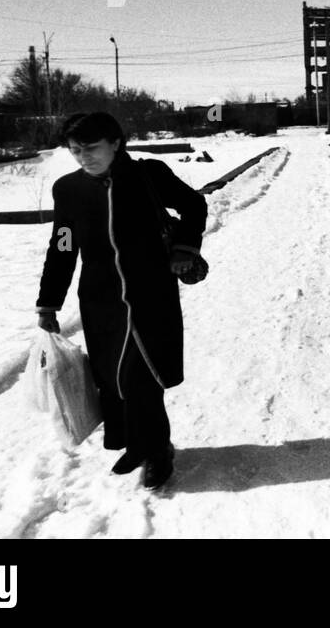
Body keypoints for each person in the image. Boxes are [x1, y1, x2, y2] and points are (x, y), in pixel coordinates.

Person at [34, 112, 207, 489]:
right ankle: (136, 443)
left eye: (91, 148)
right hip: (100, 299)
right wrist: (49, 303)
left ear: (116, 143)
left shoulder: (149, 175)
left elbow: (194, 206)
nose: (83, 157)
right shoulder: (68, 190)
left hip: (151, 293)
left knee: (143, 375)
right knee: (112, 379)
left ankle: (158, 449)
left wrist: (184, 248)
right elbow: (63, 246)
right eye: (75, 150)